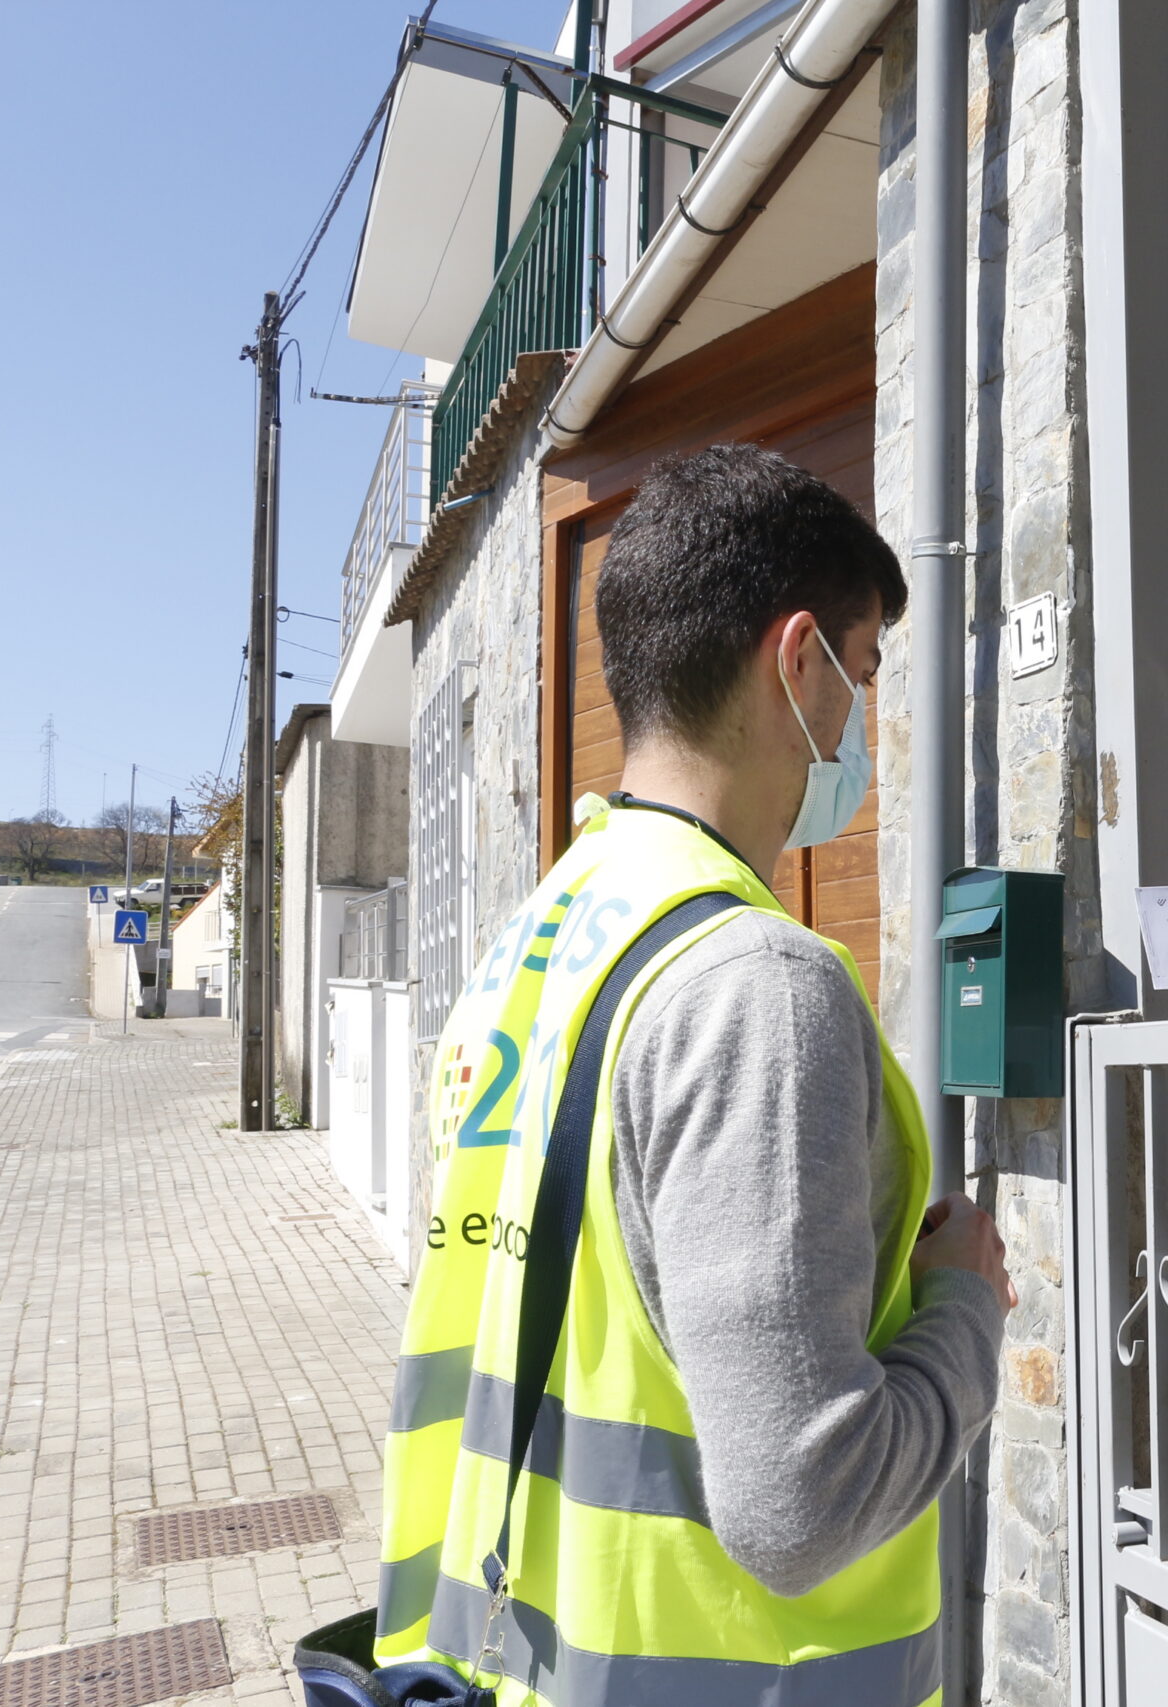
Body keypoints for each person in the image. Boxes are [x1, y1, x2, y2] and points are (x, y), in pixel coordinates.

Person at [373, 444, 1010, 1707]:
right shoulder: (757, 988)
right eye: (865, 674)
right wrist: (964, 1311)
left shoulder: (539, 938)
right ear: (796, 665)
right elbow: (799, 1503)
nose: (863, 723)